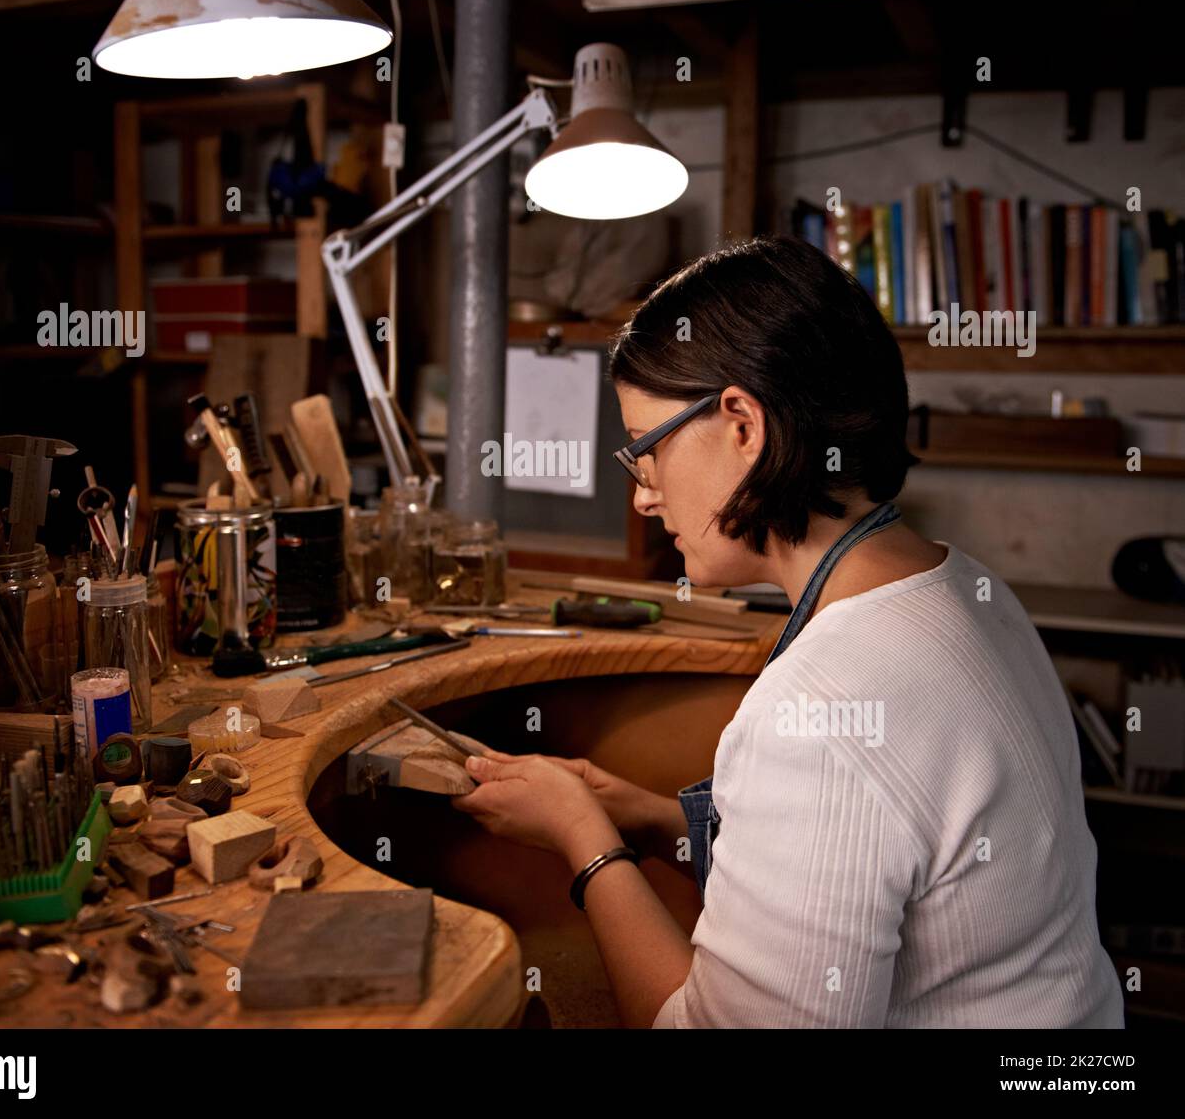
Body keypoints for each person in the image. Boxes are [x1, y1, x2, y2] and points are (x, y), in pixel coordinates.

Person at [451, 237, 1125, 1029]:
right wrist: (650, 815)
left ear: (741, 424)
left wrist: (588, 844)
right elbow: (884, 846)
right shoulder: (967, 587)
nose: (643, 498)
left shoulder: (824, 706)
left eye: (645, 452)